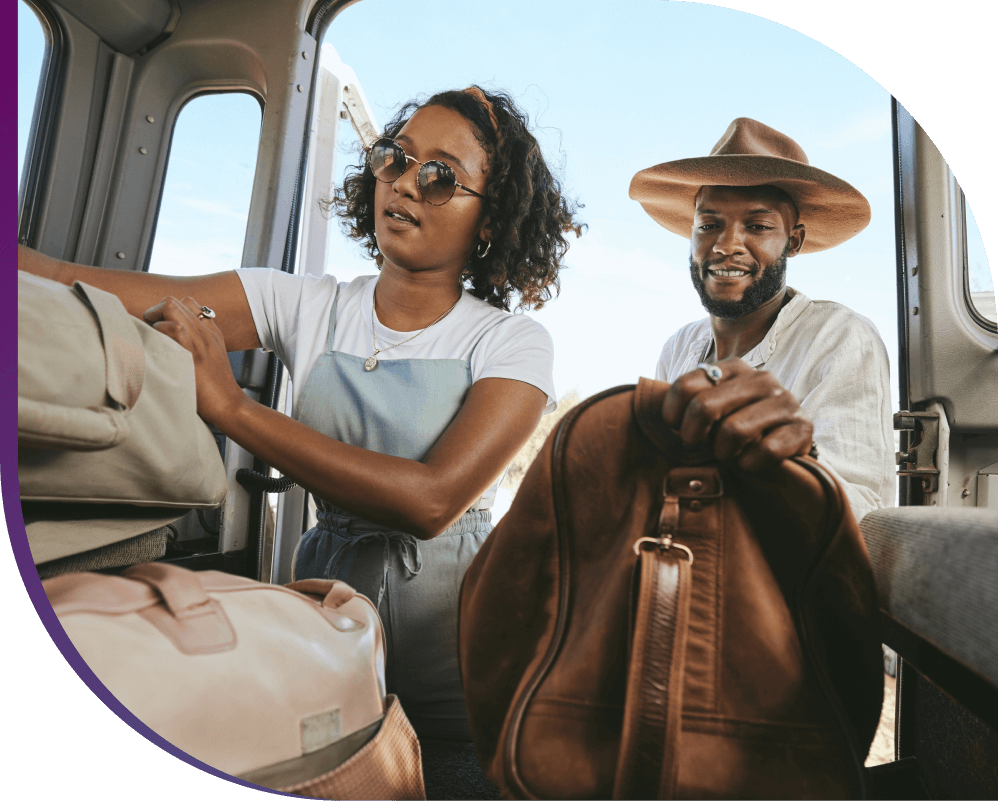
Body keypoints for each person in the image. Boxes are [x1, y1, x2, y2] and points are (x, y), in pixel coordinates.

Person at [19, 86, 582, 765]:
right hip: (325, 615)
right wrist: (194, 320)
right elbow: (105, 289)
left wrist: (232, 409)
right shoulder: (306, 304)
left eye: (439, 176)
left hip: (460, 649)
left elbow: (430, 500)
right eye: (395, 159)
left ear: (489, 221)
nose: (405, 183)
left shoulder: (512, 342)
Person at [630, 117, 894, 521]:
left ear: (794, 240)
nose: (726, 245)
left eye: (757, 226)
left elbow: (858, 510)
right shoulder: (680, 347)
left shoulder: (839, 337)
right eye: (709, 224)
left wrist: (789, 461)